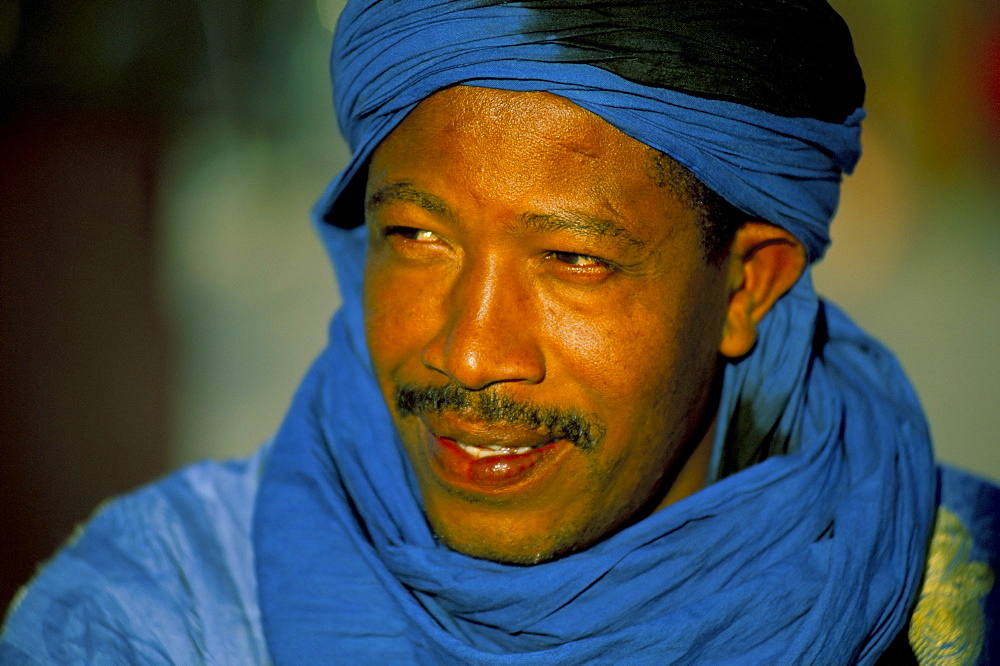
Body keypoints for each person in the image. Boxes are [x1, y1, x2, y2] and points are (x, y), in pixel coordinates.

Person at [3, 0, 997, 663]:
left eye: (571, 260)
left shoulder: (957, 597)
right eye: (417, 237)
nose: (469, 352)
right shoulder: (152, 615)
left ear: (745, 288)